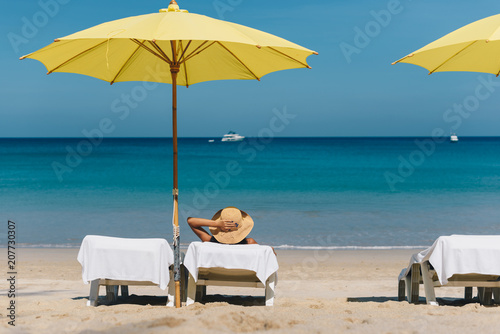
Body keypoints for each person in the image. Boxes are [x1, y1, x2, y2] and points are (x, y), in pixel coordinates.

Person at [187, 206, 257, 244]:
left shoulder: (208, 241)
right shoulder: (250, 243)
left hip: (214, 271)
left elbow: (190, 221)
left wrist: (216, 224)